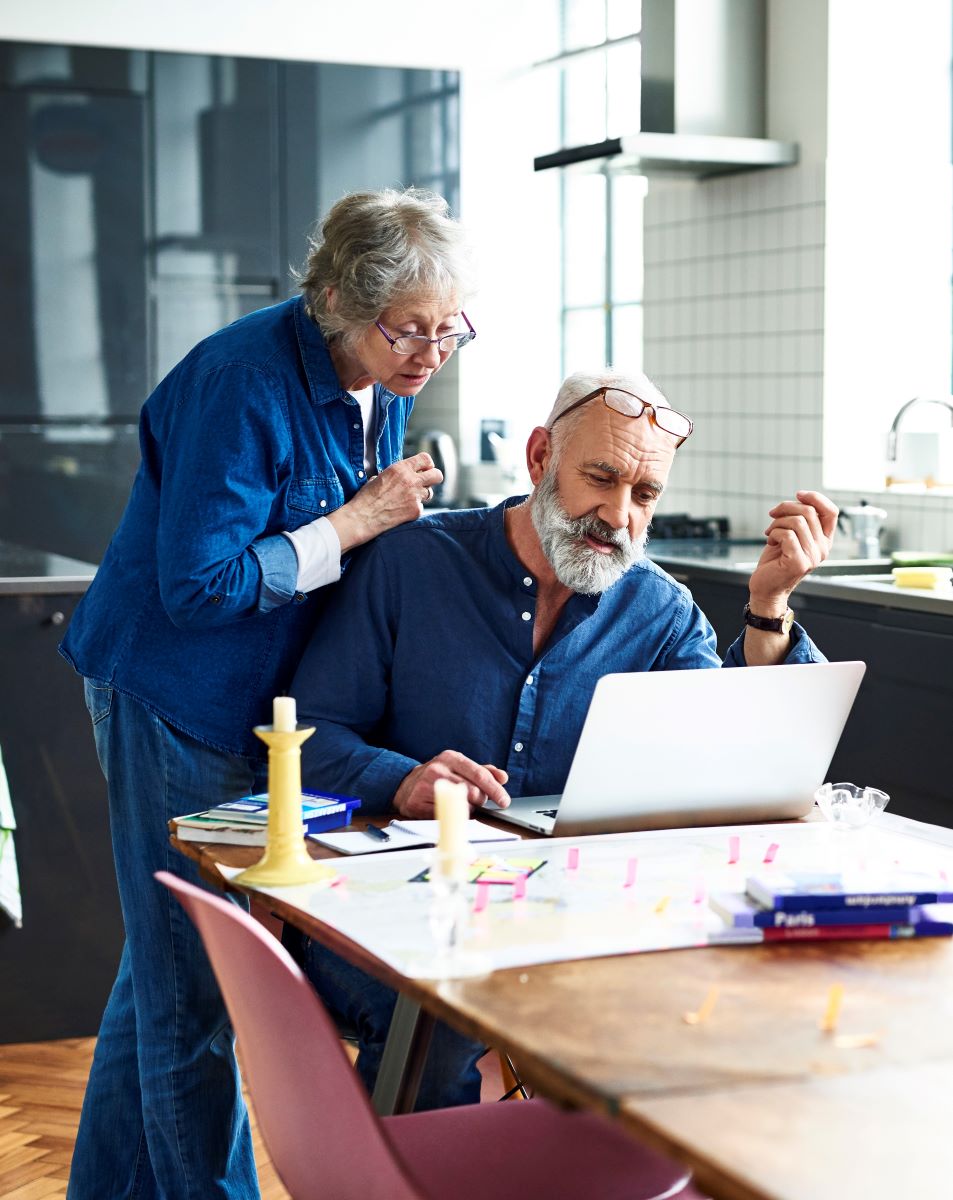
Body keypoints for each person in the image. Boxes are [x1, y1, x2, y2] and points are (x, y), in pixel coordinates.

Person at [59, 187, 476, 1200]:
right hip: (173, 691)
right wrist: (356, 522)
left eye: (446, 329)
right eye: (405, 331)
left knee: (165, 970)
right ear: (335, 303)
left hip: (259, 708)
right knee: (191, 991)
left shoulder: (389, 373)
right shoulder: (241, 383)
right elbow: (197, 586)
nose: (427, 354)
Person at [289, 368, 837, 1109]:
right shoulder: (410, 563)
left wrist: (768, 603)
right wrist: (400, 778)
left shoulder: (660, 613)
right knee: (440, 1020)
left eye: (643, 496)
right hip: (390, 910)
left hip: (575, 916)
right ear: (541, 456)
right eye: (600, 478)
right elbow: (309, 734)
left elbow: (735, 757)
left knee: (707, 1004)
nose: (616, 514)